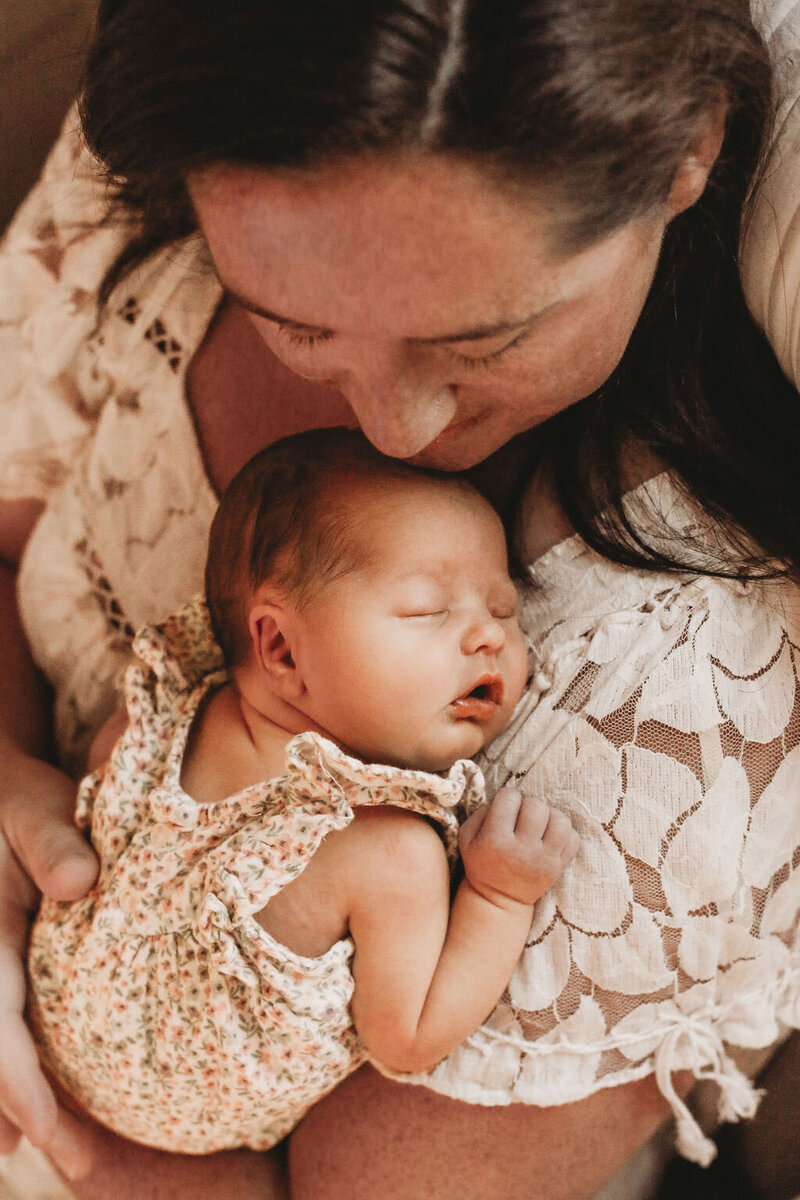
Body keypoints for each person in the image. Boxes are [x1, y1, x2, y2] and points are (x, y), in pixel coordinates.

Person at [1, 1, 800, 1198]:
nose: (390, 425)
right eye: (292, 321)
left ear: (686, 151)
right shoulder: (189, 136)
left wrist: (47, 1136)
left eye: (484, 342)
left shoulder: (692, 700)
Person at [28, 427, 579, 1154]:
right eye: (426, 610)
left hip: (49, 1018)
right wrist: (501, 896)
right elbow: (409, 1040)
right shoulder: (387, 850)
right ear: (281, 647)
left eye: (504, 609)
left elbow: (101, 776)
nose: (488, 638)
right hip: (176, 1122)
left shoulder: (165, 712)